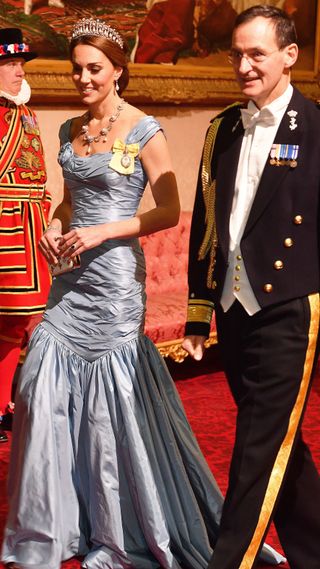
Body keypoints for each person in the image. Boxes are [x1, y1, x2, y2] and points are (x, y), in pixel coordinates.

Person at [1, 17, 284, 569]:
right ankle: (51, 523)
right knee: (40, 389)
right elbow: (66, 199)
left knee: (108, 408)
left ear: (118, 71)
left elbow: (163, 210)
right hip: (70, 279)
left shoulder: (143, 130)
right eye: (78, 68)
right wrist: (57, 228)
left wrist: (104, 231)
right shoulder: (68, 131)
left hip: (113, 284)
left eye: (95, 69)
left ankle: (116, 526)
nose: (84, 79)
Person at [183, 5, 320, 569]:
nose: (244, 65)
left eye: (256, 53)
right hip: (234, 308)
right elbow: (207, 226)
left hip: (291, 307)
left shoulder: (317, 128)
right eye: (236, 53)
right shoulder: (222, 129)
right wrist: (198, 311)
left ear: (289, 56)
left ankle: (228, 560)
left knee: (257, 448)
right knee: (279, 441)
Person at [0, 28, 51, 444]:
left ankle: (4, 403)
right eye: (10, 64)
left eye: (20, 63)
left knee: (16, 324)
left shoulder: (25, 112)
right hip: (4, 227)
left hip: (30, 225)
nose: (19, 71)